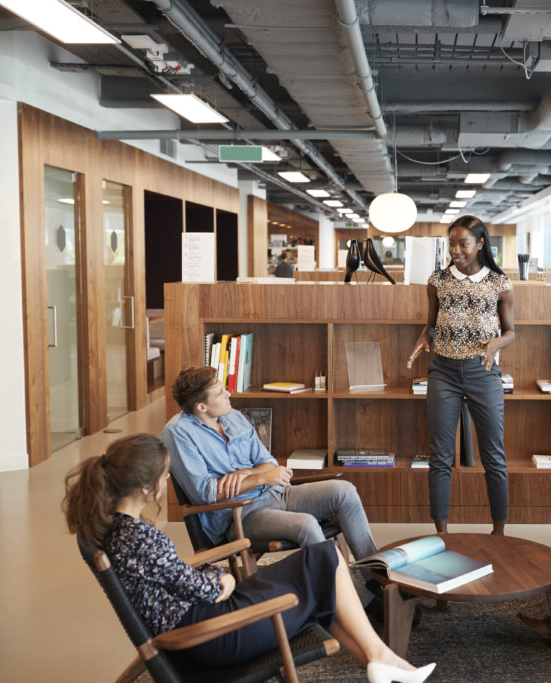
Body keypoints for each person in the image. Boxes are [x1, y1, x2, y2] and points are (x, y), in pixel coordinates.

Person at [63, 434, 434, 683]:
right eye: (163, 477)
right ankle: (383, 660)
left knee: (325, 559)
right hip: (212, 636)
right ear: (145, 487)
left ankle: (380, 659)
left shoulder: (115, 528)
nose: (165, 483)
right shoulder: (139, 537)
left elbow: (173, 578)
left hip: (199, 624)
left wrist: (213, 580)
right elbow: (203, 589)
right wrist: (222, 580)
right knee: (325, 561)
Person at [162, 366, 378, 564]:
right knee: (307, 524)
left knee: (345, 492)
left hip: (277, 493)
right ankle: (347, 598)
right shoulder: (179, 433)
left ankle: (373, 580)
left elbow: (269, 463)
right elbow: (205, 493)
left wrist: (246, 473)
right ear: (201, 406)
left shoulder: (233, 417)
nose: (229, 393)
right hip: (241, 514)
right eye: (220, 392)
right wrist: (262, 478)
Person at [406, 215, 515, 535]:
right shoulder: (437, 280)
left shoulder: (500, 283)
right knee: (440, 456)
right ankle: (442, 533)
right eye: (451, 243)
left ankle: (499, 533)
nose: (456, 249)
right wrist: (425, 336)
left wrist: (497, 343)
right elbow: (431, 322)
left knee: (494, 454)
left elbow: (511, 332)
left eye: (463, 244)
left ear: (480, 244)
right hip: (444, 372)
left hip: (483, 372)